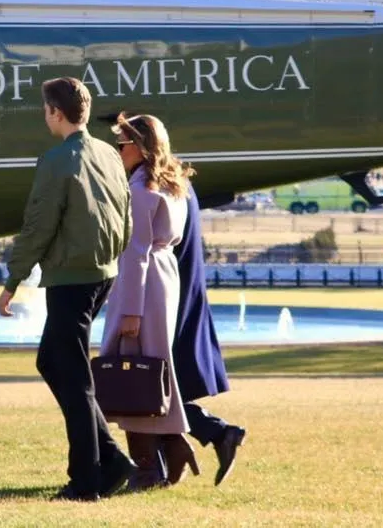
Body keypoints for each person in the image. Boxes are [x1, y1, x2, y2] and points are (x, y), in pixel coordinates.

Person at [0, 76, 135, 502]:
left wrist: (11, 282)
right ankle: (111, 460)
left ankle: (86, 480)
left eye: (45, 109)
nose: (45, 115)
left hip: (72, 280)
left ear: (55, 112)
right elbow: (125, 217)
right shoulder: (109, 153)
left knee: (75, 379)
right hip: (101, 274)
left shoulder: (56, 161)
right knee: (52, 362)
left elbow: (38, 226)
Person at [99, 113, 196, 492]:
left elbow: (136, 250)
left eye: (121, 144)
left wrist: (131, 311)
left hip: (143, 281)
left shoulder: (141, 188)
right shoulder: (174, 183)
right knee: (153, 369)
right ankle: (172, 446)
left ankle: (149, 467)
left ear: (138, 147)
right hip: (163, 275)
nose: (117, 151)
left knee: (131, 372)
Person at [160, 180, 247, 486]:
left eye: (122, 144)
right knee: (159, 386)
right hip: (183, 286)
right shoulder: (180, 185)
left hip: (165, 292)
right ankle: (208, 438)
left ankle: (215, 433)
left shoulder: (153, 185)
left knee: (147, 384)